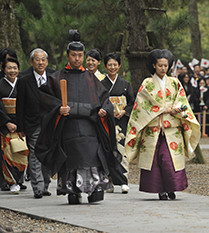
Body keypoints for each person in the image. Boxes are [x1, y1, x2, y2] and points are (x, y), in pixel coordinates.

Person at [35, 36, 118, 204]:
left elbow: (105, 99)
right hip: (68, 126)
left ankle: (94, 188)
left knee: (92, 157)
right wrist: (58, 108)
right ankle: (72, 191)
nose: (77, 58)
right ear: (68, 55)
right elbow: (44, 100)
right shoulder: (57, 77)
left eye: (80, 55)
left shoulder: (91, 77)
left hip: (89, 126)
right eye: (74, 55)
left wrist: (104, 110)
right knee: (71, 159)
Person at [125, 49, 200, 200]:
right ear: (154, 65)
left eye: (166, 66)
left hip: (172, 128)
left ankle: (172, 188)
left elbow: (182, 101)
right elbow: (142, 104)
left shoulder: (175, 82)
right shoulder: (147, 83)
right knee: (155, 160)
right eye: (160, 65)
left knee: (169, 159)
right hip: (153, 128)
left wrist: (173, 109)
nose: (163, 68)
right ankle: (160, 190)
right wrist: (159, 109)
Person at [16, 48, 54, 198]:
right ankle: (37, 187)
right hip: (32, 123)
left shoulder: (53, 76)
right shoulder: (24, 79)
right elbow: (20, 105)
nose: (40, 62)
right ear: (32, 62)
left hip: (50, 123)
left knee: (48, 155)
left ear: (47, 61)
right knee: (35, 155)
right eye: (37, 59)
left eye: (43, 59)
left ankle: (45, 184)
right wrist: (20, 127)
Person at [101, 52, 134, 194]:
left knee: (122, 150)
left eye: (115, 64)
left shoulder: (126, 85)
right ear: (105, 66)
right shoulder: (101, 84)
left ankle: (124, 181)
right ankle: (110, 180)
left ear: (119, 66)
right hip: (106, 122)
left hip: (121, 122)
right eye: (110, 65)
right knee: (108, 150)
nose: (112, 67)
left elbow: (133, 103)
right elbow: (98, 102)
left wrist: (125, 111)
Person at [0, 57, 29, 194]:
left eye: (15, 68)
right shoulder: (0, 84)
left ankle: (19, 180)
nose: (12, 71)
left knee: (20, 151)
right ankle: (8, 181)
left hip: (20, 122)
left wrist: (21, 123)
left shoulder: (23, 83)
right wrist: (6, 122)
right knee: (6, 153)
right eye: (9, 68)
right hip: (5, 123)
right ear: (3, 69)